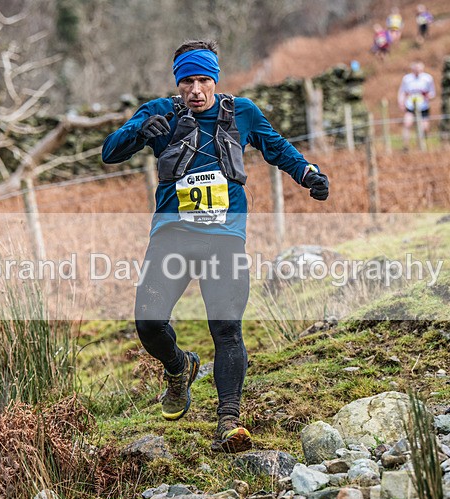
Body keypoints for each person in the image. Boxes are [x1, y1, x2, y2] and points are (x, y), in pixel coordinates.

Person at [101, 39, 329, 454]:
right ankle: (179, 367)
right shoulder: (159, 112)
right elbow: (109, 153)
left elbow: (277, 148)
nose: (196, 90)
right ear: (178, 83)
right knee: (148, 323)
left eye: (203, 79)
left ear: (215, 79)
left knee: (226, 329)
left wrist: (308, 173)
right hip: (172, 235)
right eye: (187, 81)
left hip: (225, 237)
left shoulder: (242, 112)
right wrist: (137, 130)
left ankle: (229, 421)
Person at [398, 61, 436, 149]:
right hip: (410, 106)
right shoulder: (407, 79)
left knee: (424, 128)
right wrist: (401, 102)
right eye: (416, 69)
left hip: (423, 106)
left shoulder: (428, 78)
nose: (417, 71)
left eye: (419, 69)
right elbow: (402, 92)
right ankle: (405, 146)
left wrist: (428, 96)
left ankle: (423, 145)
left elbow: (433, 93)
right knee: (407, 124)